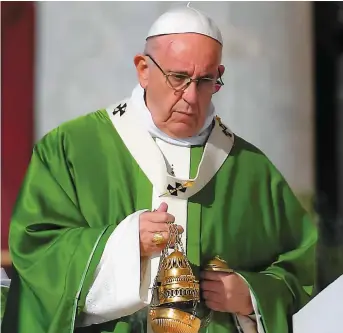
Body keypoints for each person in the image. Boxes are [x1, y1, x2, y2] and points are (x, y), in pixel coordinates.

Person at [2, 5, 317, 333]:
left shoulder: (251, 171)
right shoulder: (72, 149)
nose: (191, 97)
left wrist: (251, 297)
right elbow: (35, 252)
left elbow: (301, 273)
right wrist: (123, 244)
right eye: (179, 78)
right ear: (143, 69)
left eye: (206, 80)